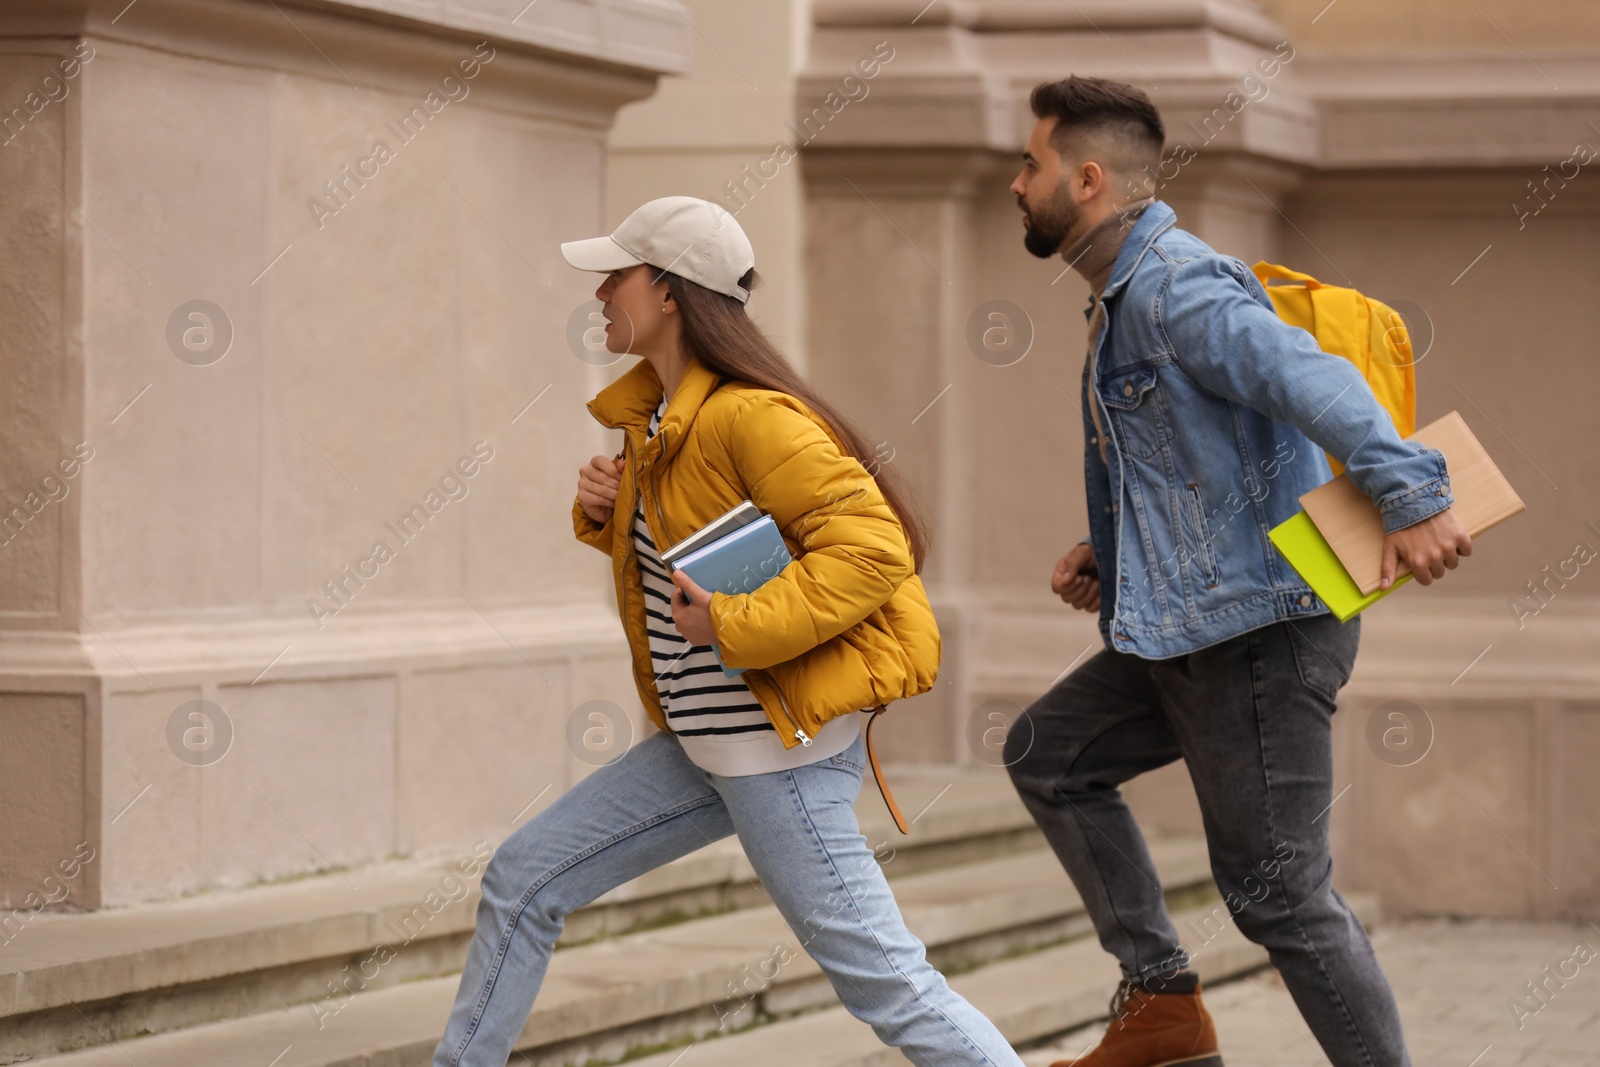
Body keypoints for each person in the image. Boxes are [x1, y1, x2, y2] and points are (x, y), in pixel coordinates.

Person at [432, 196, 1026, 1067]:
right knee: (522, 880)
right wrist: (606, 511)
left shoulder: (752, 415)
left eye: (618, 273)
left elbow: (874, 550)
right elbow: (695, 552)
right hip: (706, 742)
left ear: (670, 292)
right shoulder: (661, 420)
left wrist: (734, 622)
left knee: (892, 987)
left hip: (779, 755)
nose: (600, 291)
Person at [1000, 77, 1471, 1067]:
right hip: (1189, 620)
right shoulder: (1122, 295)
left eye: (1030, 164)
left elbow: (1310, 378)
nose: (1014, 182)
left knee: (1279, 893)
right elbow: (1192, 454)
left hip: (1255, 634)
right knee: (1050, 752)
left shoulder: (1174, 284)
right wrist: (1118, 548)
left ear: (1085, 179)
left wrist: (1411, 492)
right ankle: (1164, 1006)